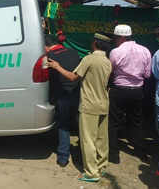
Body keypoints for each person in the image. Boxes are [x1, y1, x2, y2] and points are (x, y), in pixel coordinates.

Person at [47, 31, 112, 182]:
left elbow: (72, 76)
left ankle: (91, 173)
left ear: (94, 43)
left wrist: (56, 66)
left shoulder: (89, 59)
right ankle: (102, 167)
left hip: (89, 104)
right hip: (104, 102)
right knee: (102, 138)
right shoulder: (107, 61)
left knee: (88, 139)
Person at [108, 24, 151, 164]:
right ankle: (141, 150)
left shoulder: (116, 52)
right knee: (136, 121)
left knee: (114, 122)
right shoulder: (145, 50)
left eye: (115, 38)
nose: (114, 41)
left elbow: (110, 71)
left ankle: (113, 155)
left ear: (121, 37)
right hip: (137, 90)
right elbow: (147, 74)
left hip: (119, 90)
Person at [44, 34, 80, 167]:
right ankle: (83, 155)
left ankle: (63, 157)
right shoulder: (73, 51)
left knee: (64, 125)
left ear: (46, 47)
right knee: (80, 125)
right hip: (78, 94)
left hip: (62, 96)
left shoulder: (49, 58)